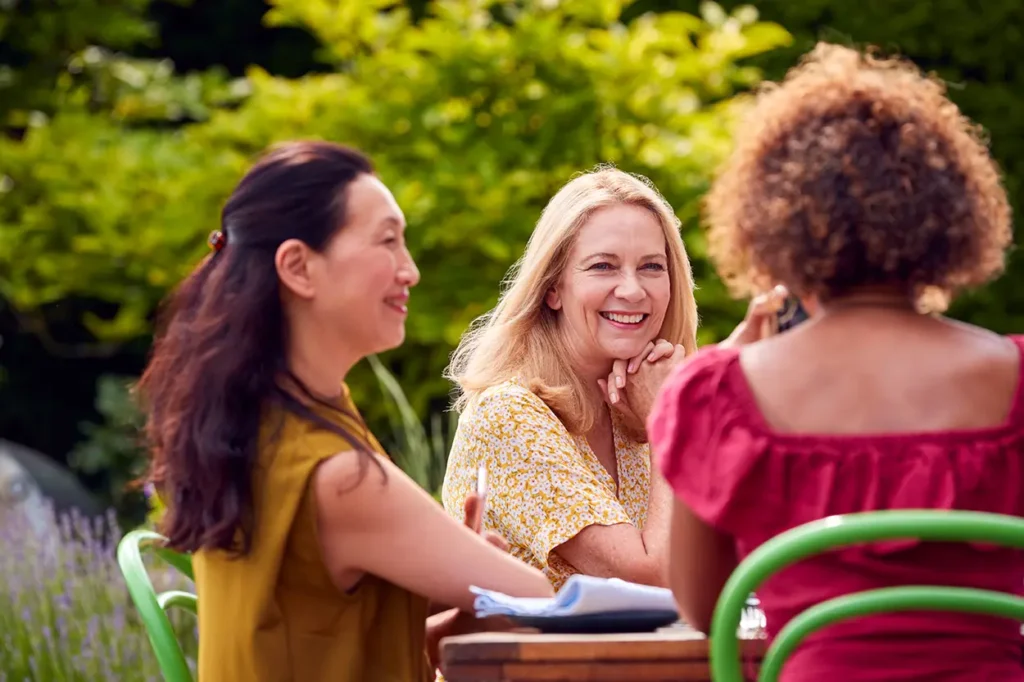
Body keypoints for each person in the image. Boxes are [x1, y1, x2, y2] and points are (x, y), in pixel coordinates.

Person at [649, 43, 1021, 681]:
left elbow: (706, 609)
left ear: (775, 224)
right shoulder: (1015, 378)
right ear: (948, 216)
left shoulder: (719, 393)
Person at [136, 141, 553, 682]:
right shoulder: (336, 475)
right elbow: (535, 598)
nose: (412, 271)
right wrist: (463, 586)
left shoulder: (263, 421)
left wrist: (439, 604)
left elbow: (311, 629)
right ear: (299, 267)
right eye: (388, 242)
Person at [440, 167, 700, 590]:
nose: (633, 290)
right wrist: (669, 423)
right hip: (539, 658)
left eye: (652, 266)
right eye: (603, 266)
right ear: (553, 289)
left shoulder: (637, 403)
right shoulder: (509, 415)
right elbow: (654, 577)